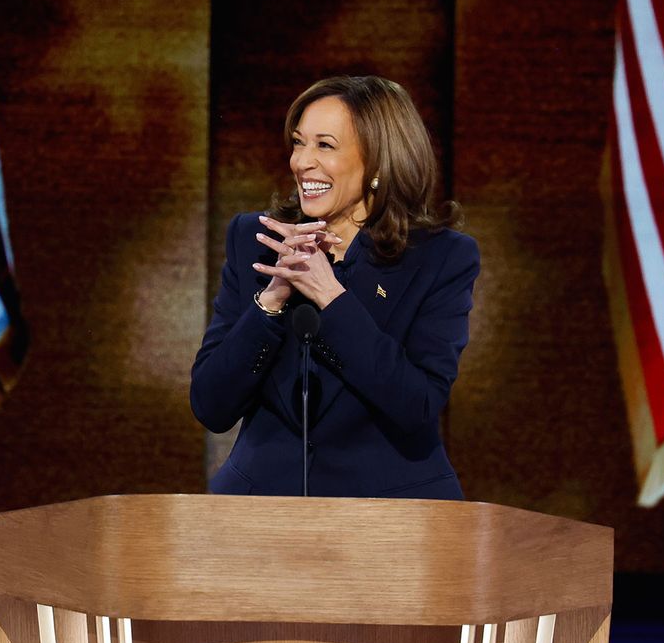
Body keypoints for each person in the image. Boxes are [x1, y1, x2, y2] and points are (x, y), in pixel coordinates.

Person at [190, 75, 479, 499]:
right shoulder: (258, 240)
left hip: (390, 513)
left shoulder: (439, 257)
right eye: (298, 142)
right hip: (259, 510)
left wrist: (332, 296)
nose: (301, 161)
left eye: (324, 145)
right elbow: (212, 406)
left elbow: (415, 405)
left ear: (379, 162)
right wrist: (271, 300)